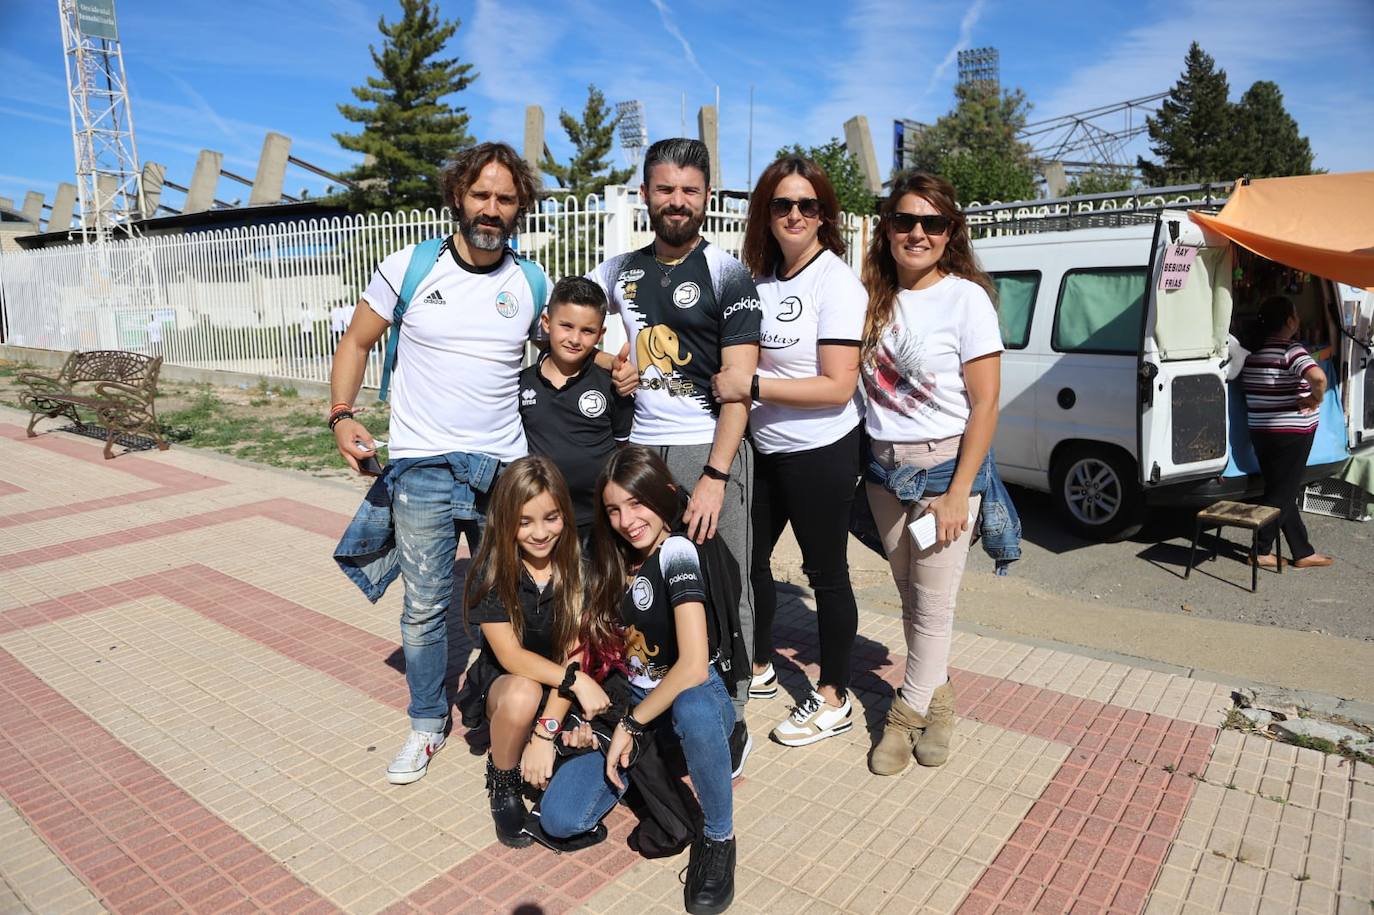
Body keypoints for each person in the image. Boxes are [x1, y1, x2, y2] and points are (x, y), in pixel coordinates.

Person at [330, 141, 548, 785]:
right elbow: (357, 341)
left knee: (507, 601)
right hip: (422, 468)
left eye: (505, 198)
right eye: (481, 194)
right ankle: (427, 723)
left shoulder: (529, 282)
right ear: (458, 195)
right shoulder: (410, 266)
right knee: (424, 606)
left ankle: (504, 706)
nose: (491, 207)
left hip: (502, 472)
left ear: (519, 208)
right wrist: (342, 415)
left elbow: (563, 348)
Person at [588, 137, 761, 774]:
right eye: (665, 190)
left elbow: (740, 388)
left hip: (704, 451)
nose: (677, 202)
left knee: (725, 579)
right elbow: (553, 327)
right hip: (640, 451)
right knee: (646, 583)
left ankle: (732, 712)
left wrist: (716, 476)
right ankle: (654, 696)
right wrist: (613, 361)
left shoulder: (729, 274)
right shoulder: (618, 270)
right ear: (646, 196)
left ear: (707, 197)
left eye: (689, 190)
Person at [538, 446, 739, 915]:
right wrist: (551, 730)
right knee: (561, 818)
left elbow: (692, 664)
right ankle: (647, 772)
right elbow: (580, 653)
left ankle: (718, 837)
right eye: (613, 509)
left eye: (636, 502)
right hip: (632, 706)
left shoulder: (677, 551)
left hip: (688, 700)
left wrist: (630, 725)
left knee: (692, 707)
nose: (627, 519)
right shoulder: (608, 564)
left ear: (661, 495)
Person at [711, 156, 865, 747]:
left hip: (821, 450)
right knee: (747, 564)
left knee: (825, 574)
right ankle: (757, 666)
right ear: (765, 214)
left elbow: (837, 385)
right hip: (763, 449)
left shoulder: (836, 283)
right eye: (782, 204)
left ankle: (834, 697)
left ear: (824, 215)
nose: (794, 214)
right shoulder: (760, 281)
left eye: (807, 205)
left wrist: (753, 388)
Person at [861, 172, 1004, 775]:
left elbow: (987, 403)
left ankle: (907, 713)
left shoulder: (966, 298)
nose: (917, 233)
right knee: (910, 593)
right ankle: (939, 697)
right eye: (905, 221)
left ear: (950, 233)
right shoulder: (872, 295)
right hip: (883, 476)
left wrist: (958, 493)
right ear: (886, 229)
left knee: (934, 604)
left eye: (932, 223)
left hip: (942, 472)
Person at [453, 457, 611, 846]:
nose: (540, 533)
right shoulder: (491, 572)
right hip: (508, 686)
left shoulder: (581, 566)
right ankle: (503, 783)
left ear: (566, 516)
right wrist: (578, 681)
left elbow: (574, 652)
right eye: (525, 522)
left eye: (551, 518)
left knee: (567, 769)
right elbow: (512, 658)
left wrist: (546, 733)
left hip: (560, 692)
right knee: (524, 689)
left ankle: (534, 742)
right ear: (506, 521)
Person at [518, 277, 634, 543]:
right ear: (547, 323)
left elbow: (622, 447)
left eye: (587, 331)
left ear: (601, 334)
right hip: (542, 521)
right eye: (566, 326)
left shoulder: (612, 385)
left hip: (598, 520)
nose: (574, 339)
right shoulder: (521, 384)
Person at [1241, 294, 1333, 569]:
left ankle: (1302, 550)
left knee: (1281, 489)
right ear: (1290, 320)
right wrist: (1316, 398)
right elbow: (1318, 377)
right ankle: (1260, 549)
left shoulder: (1252, 351)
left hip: (1261, 431)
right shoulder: (1291, 350)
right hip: (1292, 432)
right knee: (1281, 493)